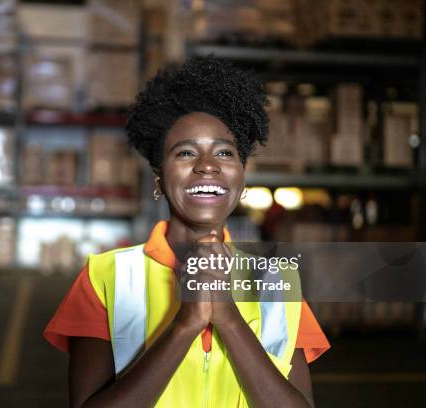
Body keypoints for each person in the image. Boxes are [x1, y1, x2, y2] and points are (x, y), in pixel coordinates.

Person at [44, 56, 330, 407]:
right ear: (159, 180)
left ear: (241, 181)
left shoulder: (277, 285)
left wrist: (228, 319)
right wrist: (185, 325)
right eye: (186, 152)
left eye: (225, 152)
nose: (207, 165)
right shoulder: (106, 279)